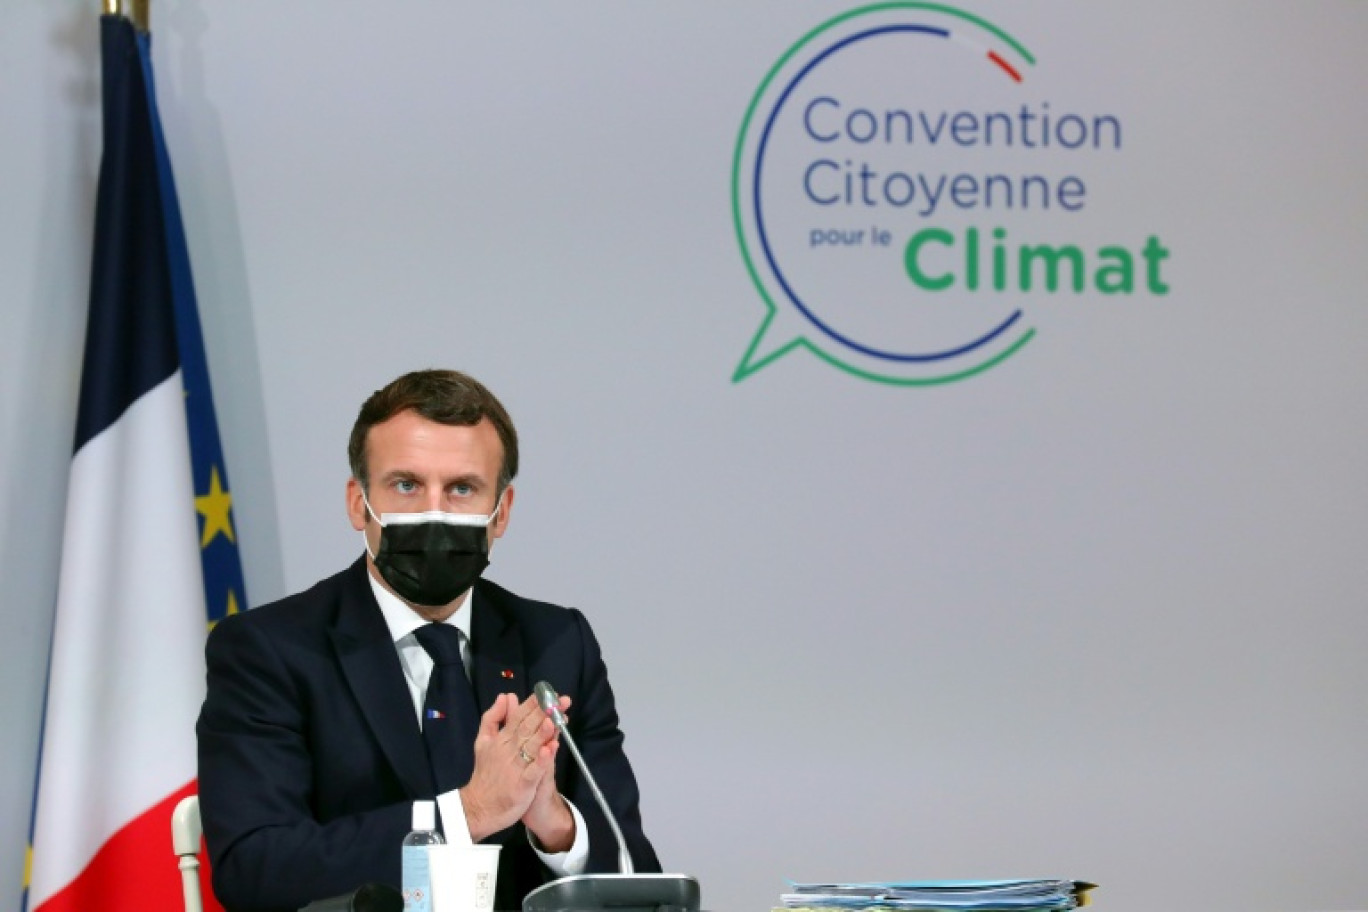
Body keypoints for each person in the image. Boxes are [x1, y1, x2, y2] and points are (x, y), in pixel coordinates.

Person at [197, 369, 659, 912]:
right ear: (357, 503)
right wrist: (467, 814)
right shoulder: (269, 650)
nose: (434, 511)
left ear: (501, 512)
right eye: (406, 485)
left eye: (462, 489)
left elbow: (637, 878)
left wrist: (555, 826)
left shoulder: (557, 643)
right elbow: (255, 869)